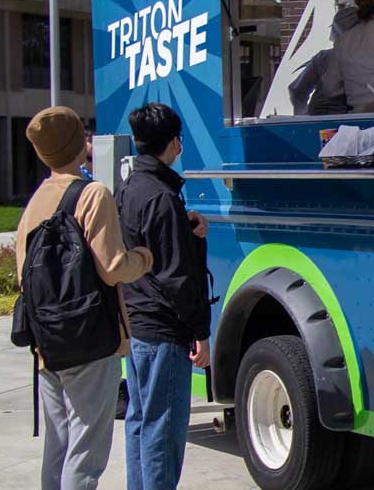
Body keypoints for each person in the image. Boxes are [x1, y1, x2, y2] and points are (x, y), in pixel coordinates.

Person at [16, 106, 153, 490]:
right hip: (91, 341)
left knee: (59, 446)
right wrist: (145, 257)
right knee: (86, 453)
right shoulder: (92, 194)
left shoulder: (35, 201)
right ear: (79, 145)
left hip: (47, 345)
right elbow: (113, 268)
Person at [117, 103, 211, 490]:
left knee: (140, 423)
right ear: (174, 144)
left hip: (136, 324)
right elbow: (177, 278)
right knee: (162, 432)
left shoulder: (128, 189)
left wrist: (188, 234)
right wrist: (201, 332)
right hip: (164, 332)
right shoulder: (162, 198)